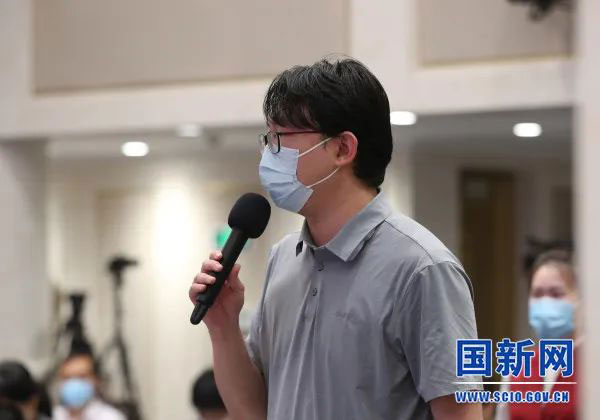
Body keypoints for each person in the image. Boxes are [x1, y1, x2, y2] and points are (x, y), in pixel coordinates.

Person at [189, 57, 482, 419]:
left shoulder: (422, 268)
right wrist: (223, 328)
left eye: (281, 139)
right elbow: (253, 412)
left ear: (343, 148)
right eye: (267, 138)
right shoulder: (284, 258)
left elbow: (460, 413)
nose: (268, 154)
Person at [496, 249, 579, 420]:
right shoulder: (516, 368)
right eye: (537, 294)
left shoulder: (591, 366)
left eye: (556, 294)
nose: (545, 302)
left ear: (579, 299)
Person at [53, 352, 124, 420]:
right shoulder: (54, 416)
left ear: (96, 380)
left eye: (81, 376)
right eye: (67, 377)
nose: (74, 383)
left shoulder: (112, 417)